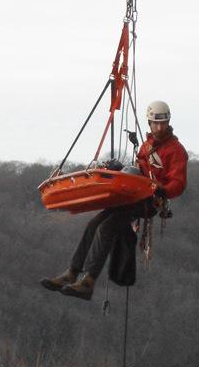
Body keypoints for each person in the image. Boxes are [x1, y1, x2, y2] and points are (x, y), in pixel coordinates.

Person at [41, 100, 188, 300]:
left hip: (148, 201)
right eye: (155, 123)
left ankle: (88, 281)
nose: (159, 127)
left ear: (168, 122)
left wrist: (161, 190)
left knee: (106, 227)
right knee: (94, 224)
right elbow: (140, 169)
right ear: (149, 123)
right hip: (131, 195)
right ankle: (72, 272)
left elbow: (178, 183)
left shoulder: (176, 151)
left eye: (162, 123)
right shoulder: (146, 146)